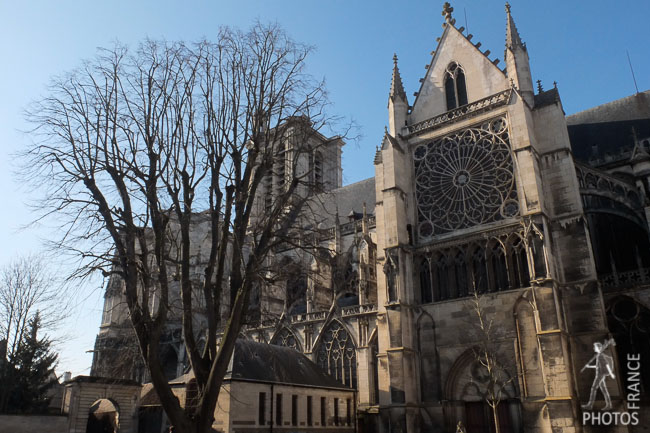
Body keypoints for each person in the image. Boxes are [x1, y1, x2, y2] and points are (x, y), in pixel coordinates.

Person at [581, 339, 615, 410]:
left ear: (598, 348)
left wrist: (611, 374)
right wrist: (589, 366)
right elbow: (598, 366)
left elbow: (606, 365)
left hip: (600, 375)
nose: (594, 348)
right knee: (604, 390)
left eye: (595, 347)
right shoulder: (599, 355)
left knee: (593, 388)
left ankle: (590, 405)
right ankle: (609, 405)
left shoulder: (600, 356)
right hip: (600, 374)